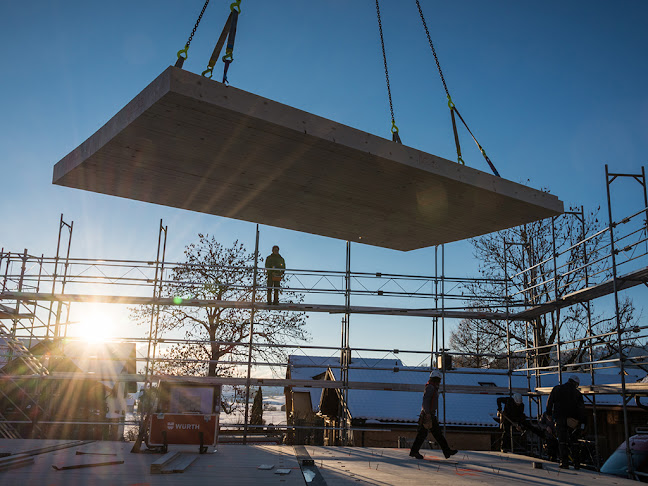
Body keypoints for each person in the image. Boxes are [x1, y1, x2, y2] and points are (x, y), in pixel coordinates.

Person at [409, 369, 458, 460]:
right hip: (429, 415)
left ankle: (414, 451)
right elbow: (426, 401)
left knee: (425, 434)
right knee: (436, 434)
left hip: (429, 414)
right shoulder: (431, 388)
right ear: (437, 379)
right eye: (439, 380)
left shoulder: (432, 387)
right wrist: (427, 413)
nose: (439, 382)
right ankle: (447, 451)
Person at [546, 375, 586, 469]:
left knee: (562, 441)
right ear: (576, 384)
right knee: (574, 441)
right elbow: (581, 409)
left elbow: (550, 401)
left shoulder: (557, 389)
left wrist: (548, 413)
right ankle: (576, 463)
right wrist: (582, 422)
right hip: (573, 420)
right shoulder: (577, 393)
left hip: (560, 418)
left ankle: (564, 462)